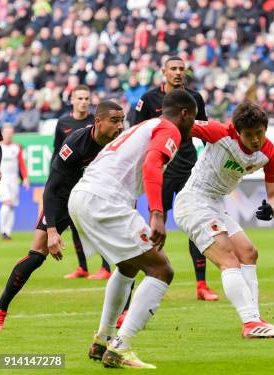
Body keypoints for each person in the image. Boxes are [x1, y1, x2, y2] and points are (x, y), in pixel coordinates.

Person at [72, 89, 196, 369]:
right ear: (185, 114)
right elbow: (152, 164)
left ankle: (102, 339)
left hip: (82, 197)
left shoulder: (146, 125)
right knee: (161, 270)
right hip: (105, 200)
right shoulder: (169, 129)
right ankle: (121, 346)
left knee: (128, 266)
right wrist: (156, 213)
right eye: (193, 119)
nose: (192, 127)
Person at [0, 101, 125, 331]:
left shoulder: (122, 143)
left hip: (97, 199)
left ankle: (125, 313)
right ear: (99, 122)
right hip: (64, 200)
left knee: (127, 252)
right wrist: (53, 231)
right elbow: (52, 188)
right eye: (115, 121)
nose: (120, 126)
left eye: (121, 120)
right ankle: (0, 309)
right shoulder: (76, 143)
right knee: (36, 256)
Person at [173, 101, 274, 339]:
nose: (255, 139)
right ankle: (250, 323)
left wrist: (272, 208)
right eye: (249, 135)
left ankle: (255, 319)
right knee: (228, 258)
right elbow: (179, 125)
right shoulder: (219, 133)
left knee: (249, 252)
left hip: (215, 205)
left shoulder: (268, 153)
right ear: (238, 132)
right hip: (193, 201)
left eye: (260, 133)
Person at [130, 56, 217, 301]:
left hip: (190, 167)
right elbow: (136, 133)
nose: (178, 73)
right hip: (162, 169)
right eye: (173, 69)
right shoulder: (148, 99)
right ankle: (151, 280)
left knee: (195, 223)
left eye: (182, 69)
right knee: (157, 224)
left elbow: (205, 131)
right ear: (164, 72)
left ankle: (201, 284)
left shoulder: (195, 98)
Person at [55, 85, 112, 280]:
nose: (83, 101)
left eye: (86, 98)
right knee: (74, 225)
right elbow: (57, 153)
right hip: (72, 182)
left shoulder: (97, 121)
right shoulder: (63, 123)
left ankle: (105, 267)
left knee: (98, 224)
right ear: (72, 100)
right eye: (79, 98)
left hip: (96, 181)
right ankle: (82, 267)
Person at [0, 126, 29, 239]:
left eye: (11, 133)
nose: (8, 135)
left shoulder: (17, 147)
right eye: (6, 132)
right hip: (1, 179)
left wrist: (25, 178)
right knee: (7, 202)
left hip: (14, 179)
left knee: (12, 206)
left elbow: (21, 163)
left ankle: (8, 232)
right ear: (2, 133)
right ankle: (3, 231)